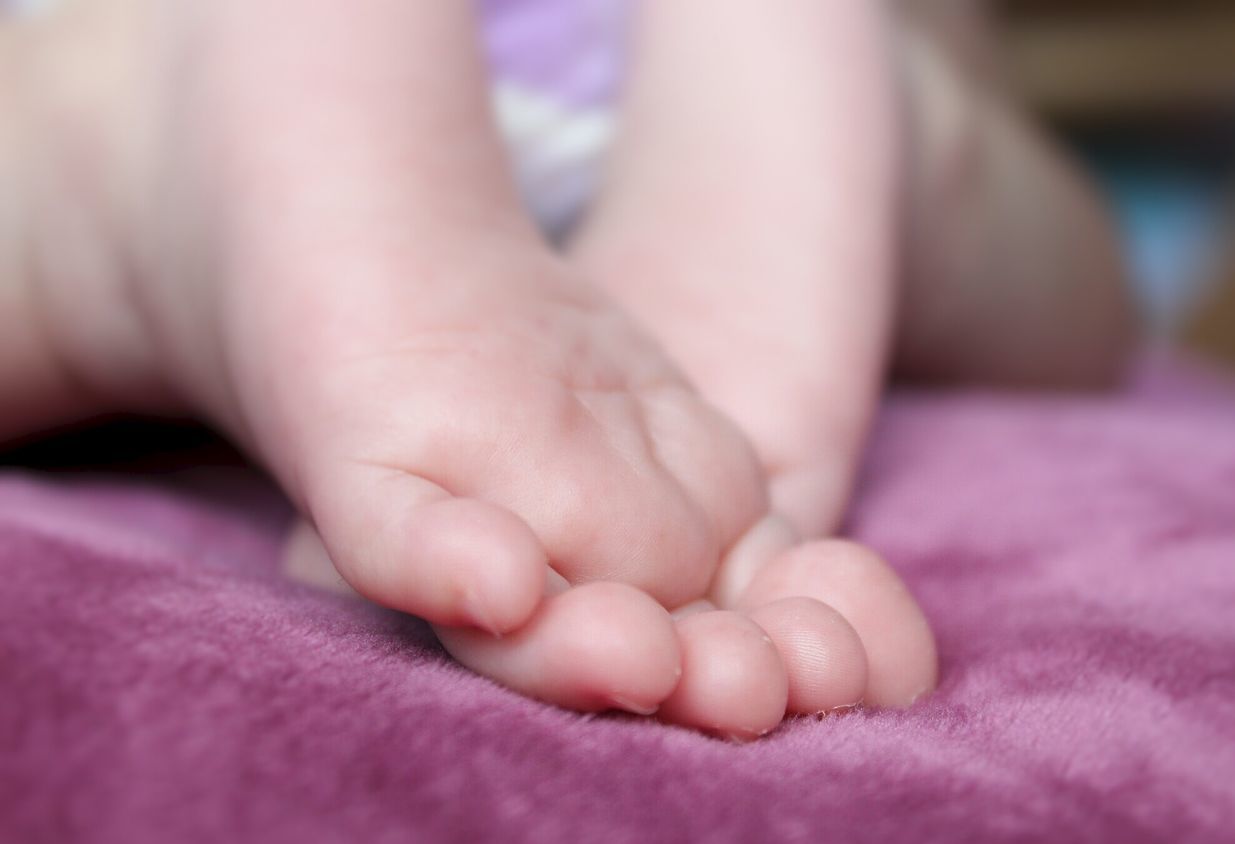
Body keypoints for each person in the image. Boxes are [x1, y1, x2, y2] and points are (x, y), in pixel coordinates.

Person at [0, 0, 1133, 739]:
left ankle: (114, 142)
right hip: (627, 65)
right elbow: (1113, 328)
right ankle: (919, 146)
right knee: (1051, 249)